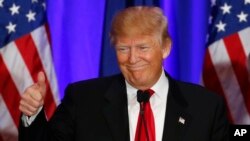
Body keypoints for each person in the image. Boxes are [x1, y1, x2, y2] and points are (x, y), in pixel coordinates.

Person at [19, 6, 229, 141]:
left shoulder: (206, 107)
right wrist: (33, 114)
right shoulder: (83, 99)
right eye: (123, 49)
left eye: (143, 48)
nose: (132, 58)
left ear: (165, 48)